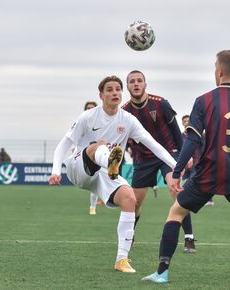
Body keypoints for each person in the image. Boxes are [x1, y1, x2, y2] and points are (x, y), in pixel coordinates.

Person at [142, 50, 230, 283]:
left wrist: (177, 172)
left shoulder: (203, 100)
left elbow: (193, 140)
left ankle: (162, 272)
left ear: (219, 71)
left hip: (209, 172)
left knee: (176, 212)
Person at [49, 75, 177, 273]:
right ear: (101, 95)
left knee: (130, 199)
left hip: (106, 173)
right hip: (79, 168)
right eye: (109, 89)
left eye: (118, 89)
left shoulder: (128, 120)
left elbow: (154, 145)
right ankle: (109, 159)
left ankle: (121, 260)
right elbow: (63, 145)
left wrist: (176, 166)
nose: (115, 92)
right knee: (97, 146)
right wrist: (56, 171)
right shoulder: (88, 116)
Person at [122, 70, 196, 253]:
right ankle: (129, 236)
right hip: (143, 159)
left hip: (168, 155)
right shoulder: (124, 111)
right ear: (128, 86)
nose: (136, 84)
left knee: (176, 190)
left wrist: (184, 157)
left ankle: (189, 238)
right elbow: (121, 139)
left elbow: (177, 132)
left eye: (140, 81)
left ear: (145, 84)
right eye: (132, 81)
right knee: (134, 202)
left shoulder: (161, 103)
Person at [181, 114, 214, 206]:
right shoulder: (181, 136)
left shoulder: (199, 135)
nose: (186, 122)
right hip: (185, 163)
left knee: (195, 181)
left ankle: (208, 200)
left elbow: (205, 147)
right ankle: (189, 200)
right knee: (185, 181)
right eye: (185, 121)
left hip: (197, 162)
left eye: (188, 121)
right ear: (182, 123)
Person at [83, 101, 102, 215]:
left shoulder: (102, 124)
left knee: (96, 183)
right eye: (88, 108)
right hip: (83, 156)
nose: (90, 110)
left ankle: (92, 207)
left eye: (92, 108)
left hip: (97, 156)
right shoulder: (81, 123)